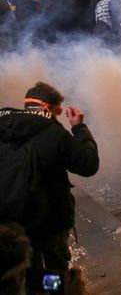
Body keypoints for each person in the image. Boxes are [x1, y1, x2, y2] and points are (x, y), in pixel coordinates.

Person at [0, 82, 99, 294]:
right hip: (51, 222)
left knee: (26, 274)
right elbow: (88, 164)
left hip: (11, 221)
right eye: (59, 111)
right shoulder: (55, 133)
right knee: (55, 273)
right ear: (48, 108)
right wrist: (79, 127)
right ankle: (58, 289)